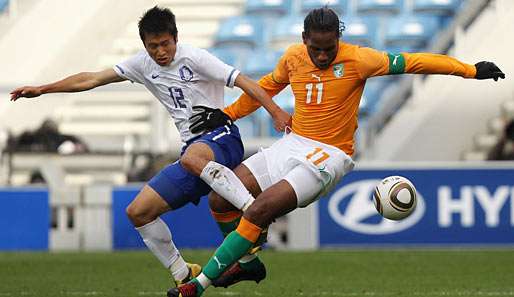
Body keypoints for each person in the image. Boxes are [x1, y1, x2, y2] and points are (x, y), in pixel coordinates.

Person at [168, 7, 505, 297]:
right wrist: (228, 113)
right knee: (221, 199)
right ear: (304, 39)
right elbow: (266, 88)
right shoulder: (293, 58)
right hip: (293, 142)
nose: (324, 56)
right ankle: (247, 264)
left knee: (260, 210)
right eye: (317, 49)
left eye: (330, 48)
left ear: (337, 40)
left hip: (329, 155)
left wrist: (471, 70)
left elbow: (416, 62)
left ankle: (198, 285)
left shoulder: (359, 59)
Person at [9, 6, 290, 287]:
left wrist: (276, 112)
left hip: (222, 136)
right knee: (139, 211)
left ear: (175, 39)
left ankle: (254, 211)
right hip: (194, 151)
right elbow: (91, 79)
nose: (160, 51)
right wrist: (43, 89)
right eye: (153, 46)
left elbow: (245, 82)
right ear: (144, 45)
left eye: (165, 44)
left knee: (193, 158)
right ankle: (186, 272)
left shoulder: (195, 57)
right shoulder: (142, 64)